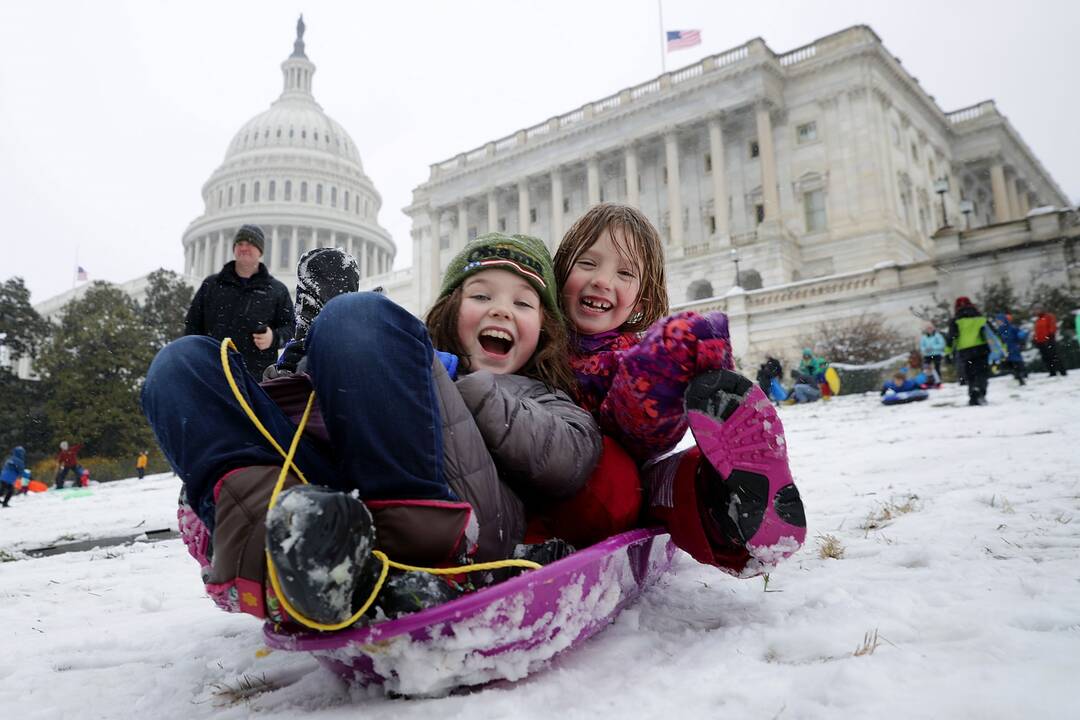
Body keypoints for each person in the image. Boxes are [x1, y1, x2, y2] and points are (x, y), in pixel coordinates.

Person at [143, 236, 601, 627]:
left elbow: (567, 461)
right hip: (346, 507)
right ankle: (276, 555)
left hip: (457, 524)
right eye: (481, 297)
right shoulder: (403, 360)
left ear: (545, 331)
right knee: (181, 366)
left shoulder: (541, 394)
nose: (501, 310)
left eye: (522, 303)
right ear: (446, 313)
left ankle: (411, 552)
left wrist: (463, 385)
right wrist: (308, 376)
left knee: (356, 315)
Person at [552, 203, 805, 575]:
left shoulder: (630, 353)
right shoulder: (541, 343)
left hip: (632, 456)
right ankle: (724, 502)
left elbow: (643, 425)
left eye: (624, 273)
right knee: (642, 480)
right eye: (587, 264)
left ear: (642, 296)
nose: (603, 281)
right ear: (560, 271)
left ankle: (738, 517)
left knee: (682, 477)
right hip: (568, 469)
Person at [184, 224, 295, 380]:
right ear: (234, 248)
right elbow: (192, 325)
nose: (244, 248)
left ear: (260, 250)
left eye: (250, 244)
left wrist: (274, 338)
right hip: (213, 372)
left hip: (255, 378)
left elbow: (291, 328)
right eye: (240, 244)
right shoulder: (212, 285)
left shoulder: (276, 290)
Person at [946, 296, 992, 406]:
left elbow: (951, 338)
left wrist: (947, 353)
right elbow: (992, 333)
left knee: (970, 374)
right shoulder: (980, 318)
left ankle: (973, 396)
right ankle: (981, 392)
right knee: (982, 373)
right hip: (982, 349)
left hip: (965, 351)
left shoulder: (956, 321)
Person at [991, 313, 1028, 385]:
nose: (998, 323)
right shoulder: (999, 330)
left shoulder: (1012, 328)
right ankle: (1018, 376)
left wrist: (1022, 338)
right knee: (1010, 364)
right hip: (1006, 350)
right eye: (997, 321)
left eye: (1000, 321)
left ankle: (1022, 375)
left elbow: (1020, 335)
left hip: (1014, 348)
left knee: (1017, 363)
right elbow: (997, 340)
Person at [1032, 305, 1068, 377]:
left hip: (1049, 340)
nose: (1037, 311)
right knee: (1046, 358)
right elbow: (1036, 331)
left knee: (1054, 356)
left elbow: (1052, 326)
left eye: (1038, 309)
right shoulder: (1038, 320)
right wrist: (1035, 339)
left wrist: (1050, 336)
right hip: (1040, 342)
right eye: (1035, 310)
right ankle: (1052, 372)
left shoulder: (1048, 317)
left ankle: (1062, 371)